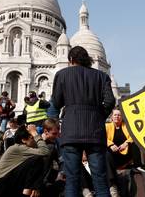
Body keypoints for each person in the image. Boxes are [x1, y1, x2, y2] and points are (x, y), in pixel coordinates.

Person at [52, 45, 116, 197]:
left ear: (71, 60)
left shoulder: (62, 74)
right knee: (100, 178)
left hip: (71, 131)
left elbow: (56, 102)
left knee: (72, 179)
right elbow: (110, 101)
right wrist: (98, 115)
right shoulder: (102, 76)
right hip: (95, 131)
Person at [0, 124, 51, 197]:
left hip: (6, 184)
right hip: (1, 185)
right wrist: (35, 133)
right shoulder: (18, 148)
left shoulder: (23, 149)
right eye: (32, 138)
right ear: (23, 140)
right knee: (37, 159)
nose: (35, 140)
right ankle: (27, 191)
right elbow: (45, 151)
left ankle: (30, 190)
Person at [106, 108, 145, 196]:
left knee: (134, 143)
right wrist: (111, 145)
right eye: (115, 115)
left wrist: (126, 143)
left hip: (125, 155)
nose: (117, 117)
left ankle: (138, 166)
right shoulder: (107, 126)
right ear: (112, 117)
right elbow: (103, 138)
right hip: (113, 156)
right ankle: (112, 184)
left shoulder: (126, 126)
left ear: (122, 117)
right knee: (106, 152)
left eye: (119, 115)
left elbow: (133, 136)